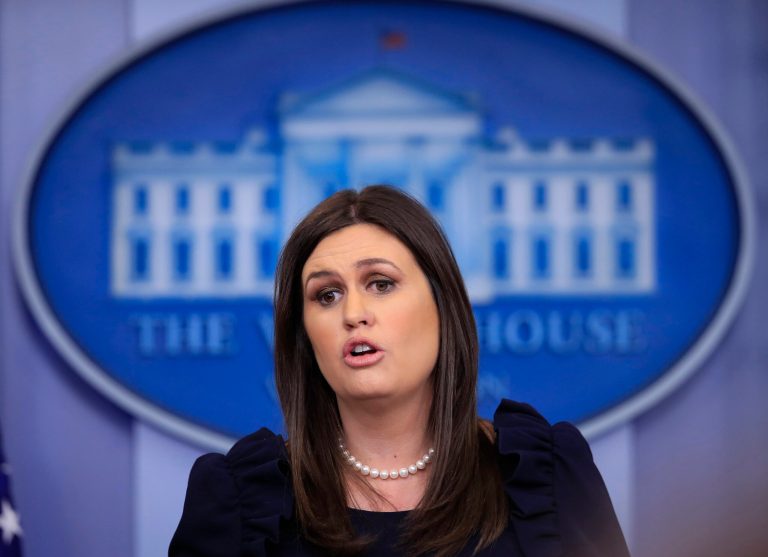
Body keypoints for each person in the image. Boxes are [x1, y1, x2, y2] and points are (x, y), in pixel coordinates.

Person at [169, 185, 630, 557]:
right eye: (326, 295)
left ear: (443, 307)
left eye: (381, 283)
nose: (354, 313)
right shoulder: (240, 499)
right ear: (304, 336)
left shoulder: (545, 478)